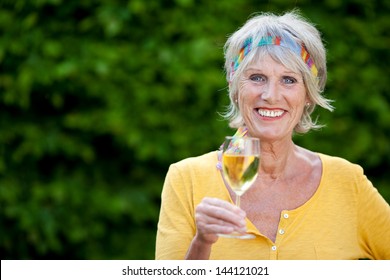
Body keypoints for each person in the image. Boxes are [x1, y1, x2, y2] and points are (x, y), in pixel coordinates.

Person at [155, 10, 390, 260]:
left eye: (288, 80)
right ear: (235, 87)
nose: (271, 95)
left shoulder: (347, 181)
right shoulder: (186, 179)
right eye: (257, 77)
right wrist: (202, 242)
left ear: (308, 94)